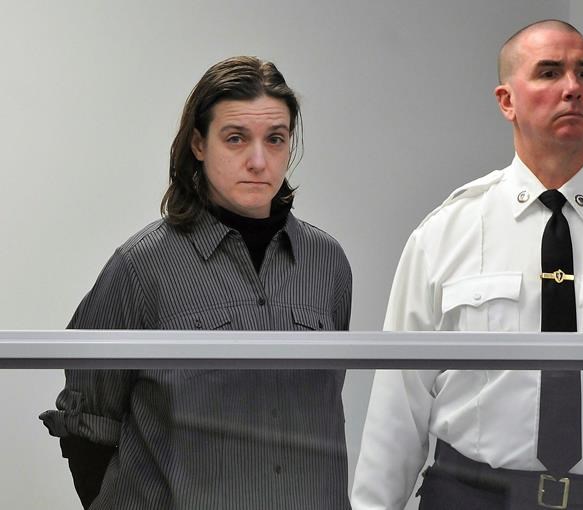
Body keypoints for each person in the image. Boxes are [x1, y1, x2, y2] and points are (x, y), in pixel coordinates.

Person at [351, 20, 583, 510]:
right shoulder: (449, 231)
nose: (572, 88)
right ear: (507, 101)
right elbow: (398, 402)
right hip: (471, 496)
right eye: (549, 73)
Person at [40, 56, 352, 510]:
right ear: (199, 144)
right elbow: (87, 425)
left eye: (276, 139)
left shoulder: (328, 263)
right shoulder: (140, 266)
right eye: (235, 138)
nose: (259, 161)